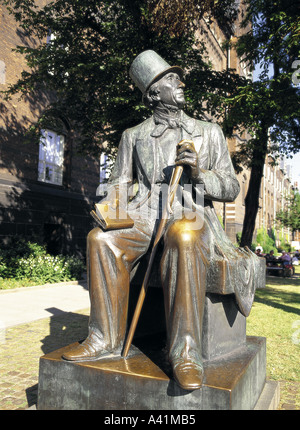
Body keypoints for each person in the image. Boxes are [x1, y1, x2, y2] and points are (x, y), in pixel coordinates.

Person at [62, 50, 263, 390]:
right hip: (142, 213)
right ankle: (104, 338)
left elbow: (230, 188)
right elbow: (119, 184)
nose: (180, 82)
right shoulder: (133, 136)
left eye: (177, 77)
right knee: (100, 240)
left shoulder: (208, 132)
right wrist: (109, 207)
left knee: (184, 236)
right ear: (154, 93)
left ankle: (185, 352)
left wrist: (200, 172)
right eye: (171, 79)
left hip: (190, 209)